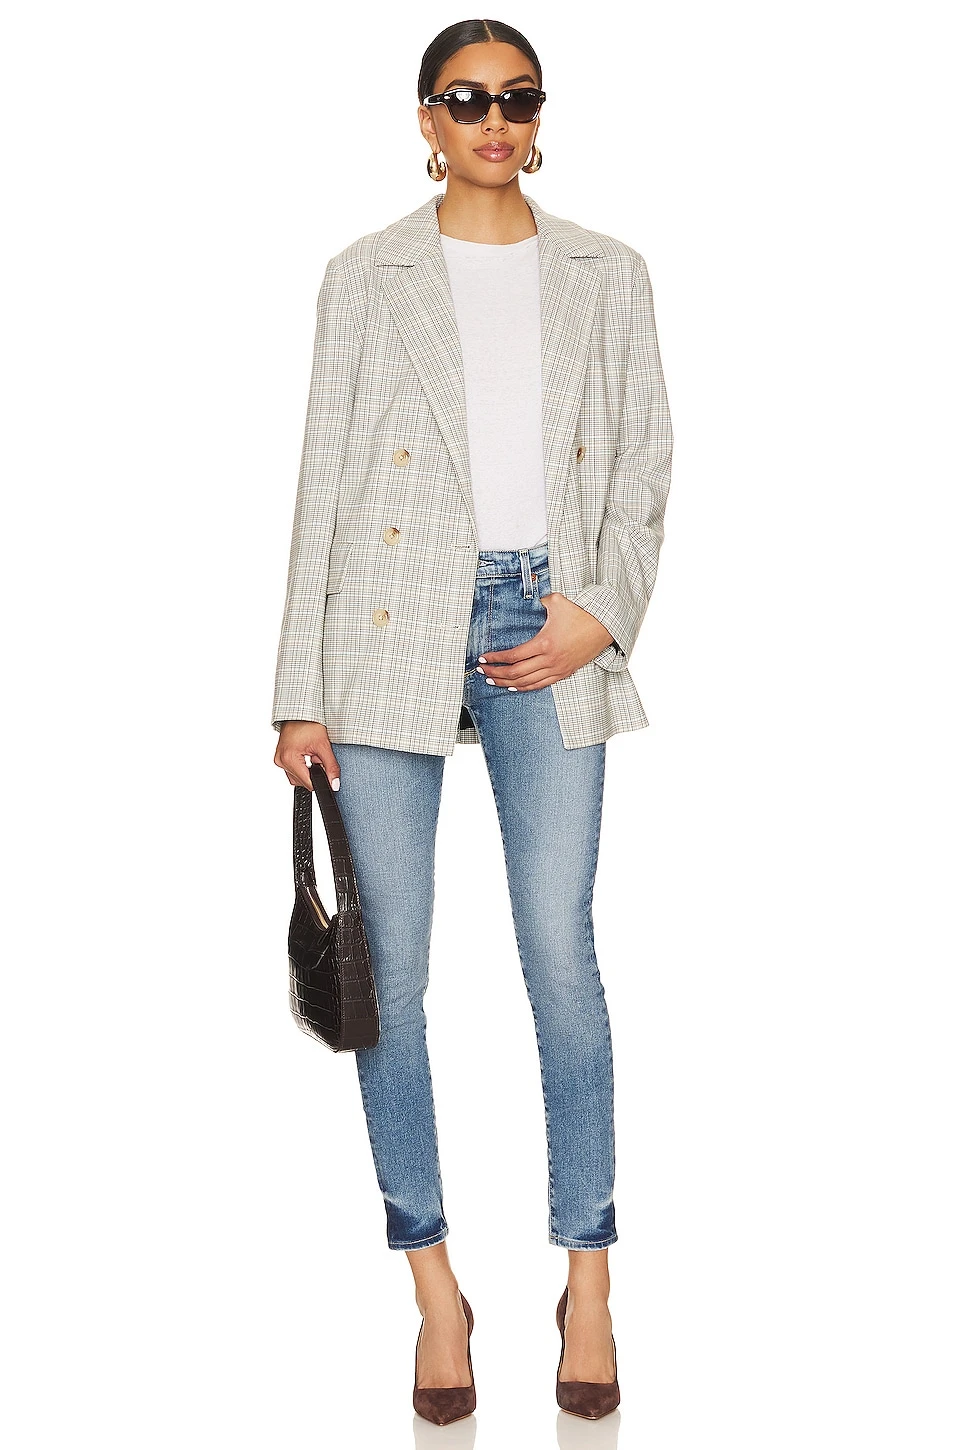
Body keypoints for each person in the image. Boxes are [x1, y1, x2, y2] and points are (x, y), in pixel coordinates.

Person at [272, 17, 672, 1425]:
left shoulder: (608, 272)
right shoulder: (365, 273)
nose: (495, 118)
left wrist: (599, 611)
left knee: (561, 950)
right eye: (466, 98)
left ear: (539, 116)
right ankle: (434, 1285)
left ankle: (590, 1276)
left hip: (545, 618)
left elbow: (645, 461)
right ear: (426, 119)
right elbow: (323, 477)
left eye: (518, 96)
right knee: (393, 973)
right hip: (387, 623)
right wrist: (299, 689)